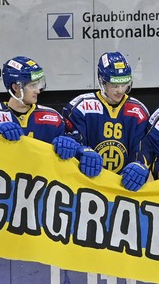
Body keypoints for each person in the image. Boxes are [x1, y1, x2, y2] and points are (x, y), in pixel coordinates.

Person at [60, 52, 151, 192]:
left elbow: (143, 147)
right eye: (114, 85)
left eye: (124, 84)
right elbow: (71, 141)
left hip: (123, 188)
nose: (120, 91)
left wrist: (140, 165)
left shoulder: (138, 111)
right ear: (101, 81)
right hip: (86, 186)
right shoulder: (80, 107)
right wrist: (81, 151)